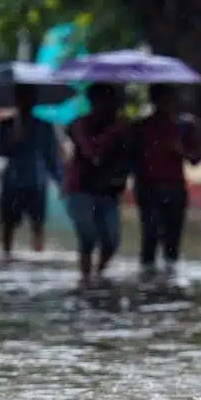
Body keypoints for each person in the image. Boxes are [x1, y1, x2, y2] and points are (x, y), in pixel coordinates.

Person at [63, 84, 132, 284]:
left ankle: (98, 275)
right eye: (107, 101)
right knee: (88, 236)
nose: (112, 107)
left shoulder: (122, 127)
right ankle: (85, 279)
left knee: (112, 241)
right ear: (94, 102)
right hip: (80, 189)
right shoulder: (79, 124)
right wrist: (114, 133)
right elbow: (93, 154)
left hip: (108, 191)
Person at [132, 84, 201, 276]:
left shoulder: (185, 126)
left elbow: (196, 158)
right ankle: (148, 281)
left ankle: (169, 283)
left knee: (172, 242)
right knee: (150, 238)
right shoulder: (141, 127)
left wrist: (180, 150)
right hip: (149, 189)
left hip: (175, 189)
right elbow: (133, 159)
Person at [0, 84, 62, 262]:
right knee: (8, 224)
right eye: (22, 98)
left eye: (29, 98)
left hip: (36, 181)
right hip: (12, 180)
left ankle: (38, 257)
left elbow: (52, 157)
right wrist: (13, 139)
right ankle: (6, 257)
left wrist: (62, 183)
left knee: (38, 224)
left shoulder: (45, 126)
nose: (26, 102)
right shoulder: (5, 125)